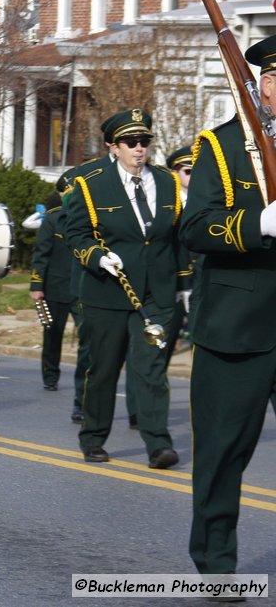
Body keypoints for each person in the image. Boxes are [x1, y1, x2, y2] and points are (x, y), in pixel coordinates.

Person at [178, 33, 276, 575]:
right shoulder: (221, 146)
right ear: (261, 84)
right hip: (237, 325)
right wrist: (257, 223)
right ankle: (215, 565)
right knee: (221, 454)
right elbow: (194, 227)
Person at [63, 108, 184, 468]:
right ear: (112, 146)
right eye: (131, 142)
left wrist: (184, 286)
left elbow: (176, 239)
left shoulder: (166, 182)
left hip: (156, 295)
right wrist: (98, 257)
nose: (139, 148)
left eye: (144, 141)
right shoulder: (90, 181)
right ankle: (94, 437)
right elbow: (76, 234)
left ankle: (158, 445)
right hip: (108, 293)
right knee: (102, 369)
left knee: (151, 370)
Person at [29, 175, 81, 392]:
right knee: (52, 334)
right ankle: (50, 375)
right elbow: (41, 254)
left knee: (89, 335)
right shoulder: (52, 219)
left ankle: (87, 378)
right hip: (56, 287)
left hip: (82, 289)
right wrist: (37, 286)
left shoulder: (91, 219)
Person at [164, 145, 195, 367]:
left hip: (202, 282)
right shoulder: (166, 205)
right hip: (173, 283)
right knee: (163, 348)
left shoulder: (209, 202)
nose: (194, 177)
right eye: (188, 171)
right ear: (175, 173)